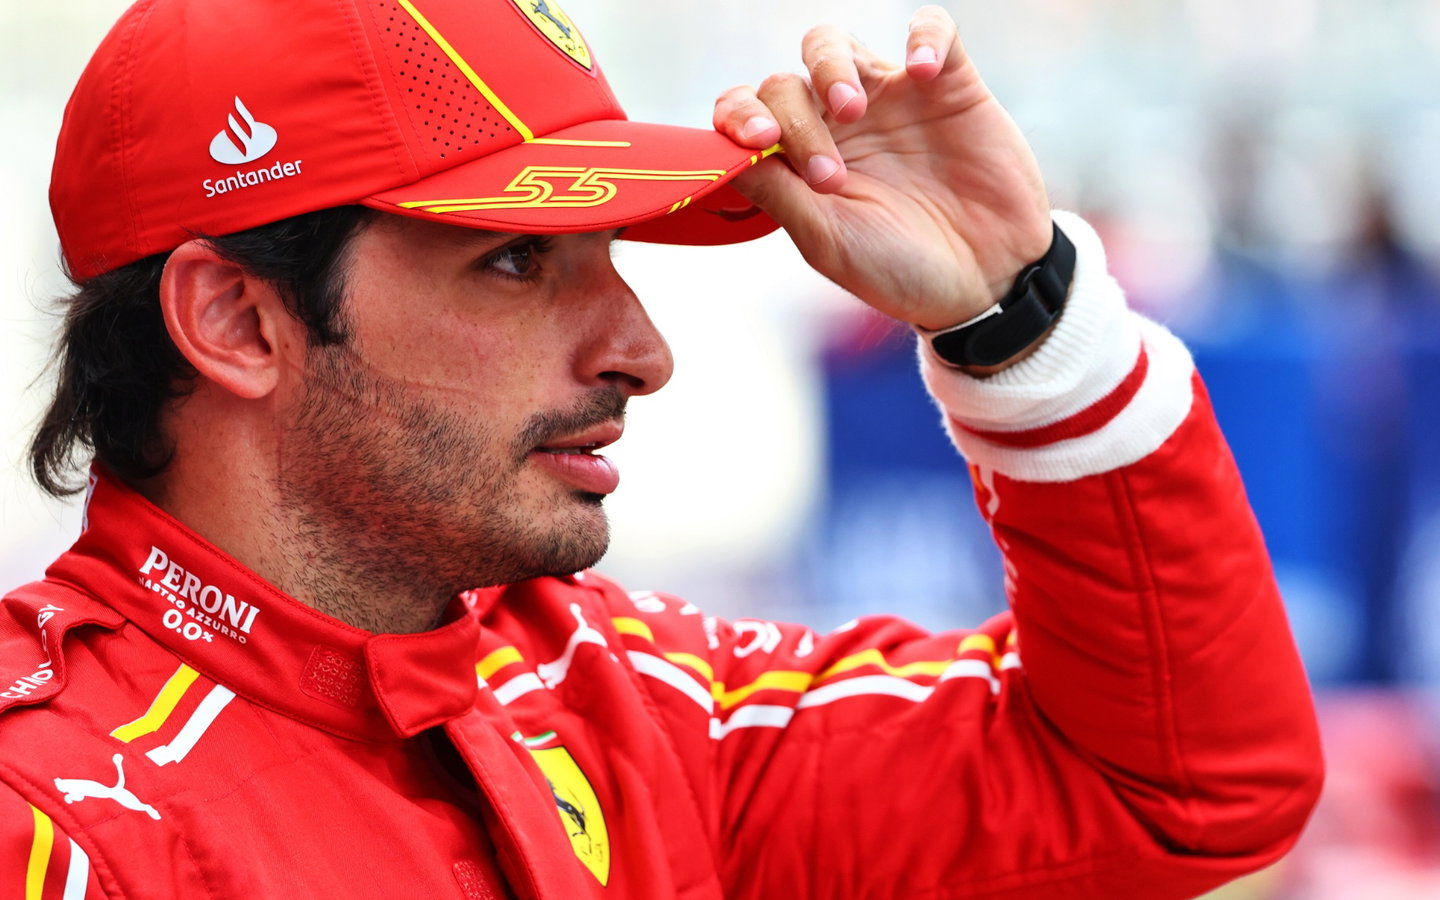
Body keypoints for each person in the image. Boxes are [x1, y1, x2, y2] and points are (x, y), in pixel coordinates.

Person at [0, 0, 1322, 896]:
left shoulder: (629, 693)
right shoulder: (50, 813)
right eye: (515, 262)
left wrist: (1020, 320)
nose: (639, 349)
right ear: (237, 318)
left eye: (610, 255)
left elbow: (1177, 792)